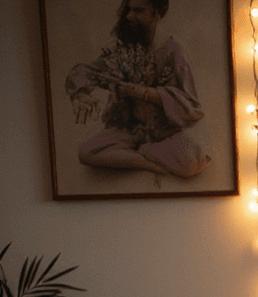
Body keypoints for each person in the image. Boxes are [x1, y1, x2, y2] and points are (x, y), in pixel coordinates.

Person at [65, 0, 210, 179]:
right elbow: (84, 71)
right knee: (86, 152)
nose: (129, 17)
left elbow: (192, 105)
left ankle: (144, 151)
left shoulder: (173, 50)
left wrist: (139, 91)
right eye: (129, 10)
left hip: (166, 133)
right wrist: (81, 93)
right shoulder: (123, 48)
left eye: (138, 11)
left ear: (157, 14)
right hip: (129, 130)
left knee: (191, 162)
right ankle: (147, 162)